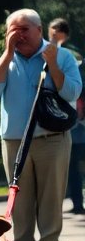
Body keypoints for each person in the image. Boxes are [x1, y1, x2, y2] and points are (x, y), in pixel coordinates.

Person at [0, 9, 82, 241]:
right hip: (14, 141)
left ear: (39, 29)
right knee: (20, 201)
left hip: (52, 140)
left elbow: (72, 94)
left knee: (51, 197)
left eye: (24, 29)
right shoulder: (7, 58)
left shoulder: (62, 56)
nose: (18, 35)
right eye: (13, 30)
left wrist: (54, 65)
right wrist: (7, 54)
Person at [49, 19, 85, 215]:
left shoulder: (69, 56)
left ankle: (77, 203)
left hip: (75, 125)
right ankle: (75, 203)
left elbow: (75, 89)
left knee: (72, 168)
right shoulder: (52, 52)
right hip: (65, 122)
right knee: (69, 168)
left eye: (56, 33)